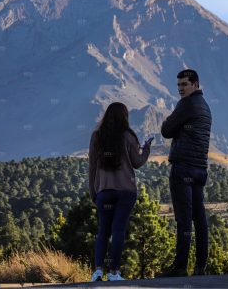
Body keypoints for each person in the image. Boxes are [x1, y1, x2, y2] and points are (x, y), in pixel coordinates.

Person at [88, 102, 153, 282]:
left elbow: (92, 166)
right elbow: (137, 162)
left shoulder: (96, 136)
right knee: (118, 230)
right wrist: (146, 149)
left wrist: (93, 191)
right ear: (125, 116)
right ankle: (114, 272)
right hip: (126, 191)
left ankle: (98, 271)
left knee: (103, 231)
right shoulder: (128, 135)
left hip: (103, 191)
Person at [160, 69, 212, 277]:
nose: (181, 88)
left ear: (195, 85)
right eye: (179, 85)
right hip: (200, 168)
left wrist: (172, 123)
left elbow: (166, 130)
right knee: (199, 218)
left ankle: (180, 267)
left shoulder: (187, 104)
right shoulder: (205, 107)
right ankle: (201, 266)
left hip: (183, 168)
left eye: (185, 84)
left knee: (184, 219)